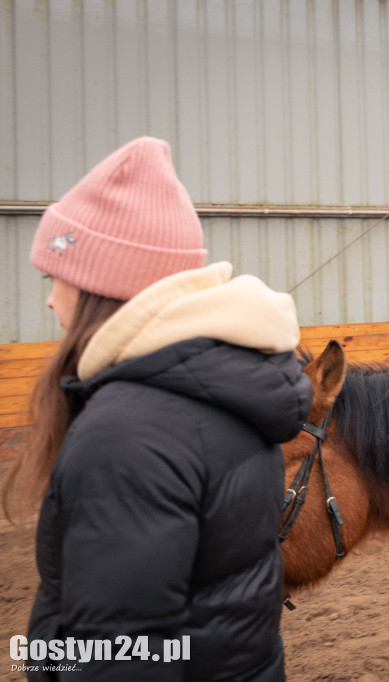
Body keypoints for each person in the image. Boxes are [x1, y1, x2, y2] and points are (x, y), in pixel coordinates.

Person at [1, 137, 312, 680]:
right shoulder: (229, 393)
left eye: (55, 278)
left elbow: (120, 655)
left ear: (103, 283)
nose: (50, 299)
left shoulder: (127, 433)